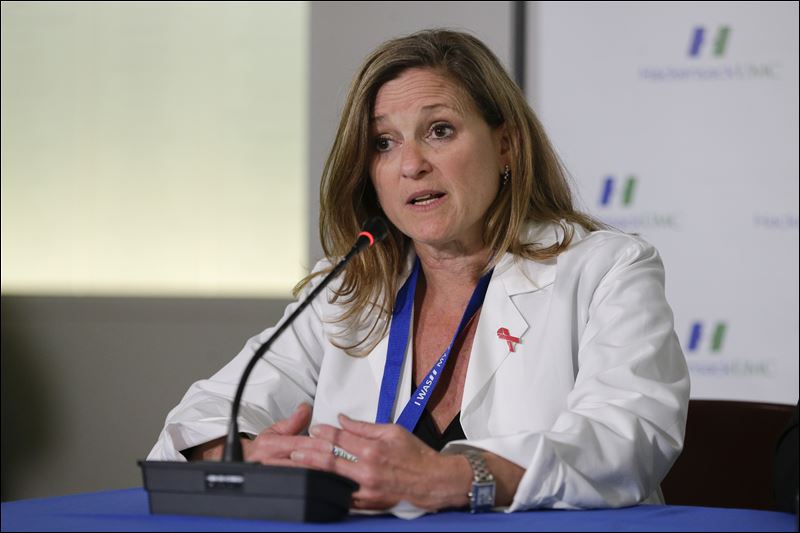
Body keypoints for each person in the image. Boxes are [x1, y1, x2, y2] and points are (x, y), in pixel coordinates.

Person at [148, 29, 690, 515]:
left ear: (506, 145)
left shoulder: (605, 269)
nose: (411, 164)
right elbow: (207, 413)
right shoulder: (348, 288)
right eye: (384, 143)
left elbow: (628, 438)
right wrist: (242, 454)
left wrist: (453, 477)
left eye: (439, 130)